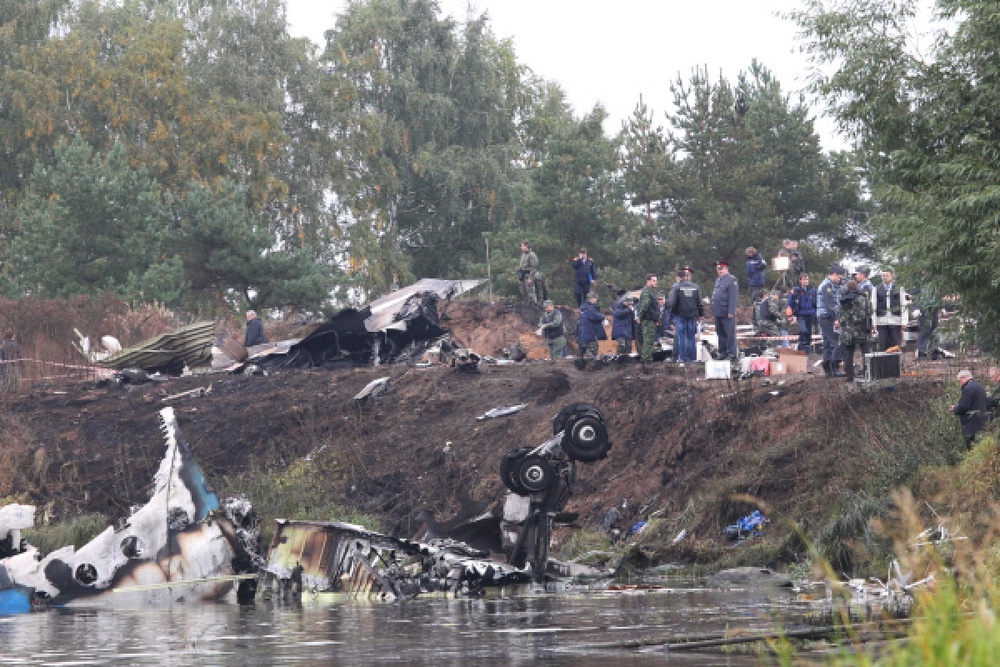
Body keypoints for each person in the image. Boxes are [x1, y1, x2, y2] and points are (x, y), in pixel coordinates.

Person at [838, 280, 873, 382]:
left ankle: (849, 376)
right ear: (857, 287)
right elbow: (870, 312)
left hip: (848, 331)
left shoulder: (842, 301)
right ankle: (868, 374)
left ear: (847, 288)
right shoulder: (864, 299)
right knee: (866, 354)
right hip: (863, 330)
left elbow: (840, 319)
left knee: (848, 355)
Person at [667, 267, 703, 364]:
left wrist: (673, 315)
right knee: (691, 337)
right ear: (686, 277)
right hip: (692, 316)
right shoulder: (696, 287)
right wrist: (700, 314)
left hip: (680, 316)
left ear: (679, 278)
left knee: (681, 337)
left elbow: (672, 302)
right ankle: (693, 359)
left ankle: (682, 359)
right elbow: (700, 302)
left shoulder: (676, 287)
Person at [950, 370, 991, 449]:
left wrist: (955, 409)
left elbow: (964, 406)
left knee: (971, 445)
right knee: (980, 444)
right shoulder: (979, 386)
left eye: (960, 381)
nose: (960, 383)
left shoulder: (968, 388)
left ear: (964, 378)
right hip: (982, 418)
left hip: (971, 421)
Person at [817, 265, 846, 376]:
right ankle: (834, 368)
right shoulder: (827, 286)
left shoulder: (831, 285)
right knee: (837, 342)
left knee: (827, 344)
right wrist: (836, 319)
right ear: (833, 274)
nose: (840, 279)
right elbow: (830, 305)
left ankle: (828, 370)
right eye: (839, 277)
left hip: (824, 316)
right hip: (827, 317)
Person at [873, 268, 908, 351]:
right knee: (882, 345)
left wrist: (904, 322)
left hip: (895, 320)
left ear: (892, 276)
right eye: (883, 276)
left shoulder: (899, 289)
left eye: (887, 275)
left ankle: (897, 363)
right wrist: (873, 322)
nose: (885, 277)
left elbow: (904, 305)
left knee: (896, 345)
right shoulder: (876, 289)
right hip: (881, 321)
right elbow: (873, 306)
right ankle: (883, 363)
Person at [710, 260, 739, 360]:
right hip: (718, 311)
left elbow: (733, 297)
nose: (719, 271)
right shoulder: (718, 280)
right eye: (718, 269)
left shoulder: (731, 280)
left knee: (729, 334)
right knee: (720, 333)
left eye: (721, 269)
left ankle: (732, 354)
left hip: (726, 311)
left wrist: (731, 310)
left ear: (726, 268)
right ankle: (723, 353)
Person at [788, 273, 817, 352]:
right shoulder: (795, 291)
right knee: (803, 330)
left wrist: (816, 311)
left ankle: (807, 351)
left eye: (807, 279)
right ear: (800, 280)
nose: (806, 281)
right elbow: (790, 304)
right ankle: (801, 348)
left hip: (811, 314)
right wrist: (790, 315)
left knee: (809, 334)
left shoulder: (812, 290)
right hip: (800, 314)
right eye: (804, 279)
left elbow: (816, 302)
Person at [911, 284, 940, 360]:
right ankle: (922, 352)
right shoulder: (918, 282)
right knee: (924, 330)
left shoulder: (935, 279)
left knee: (935, 329)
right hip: (923, 308)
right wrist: (916, 308)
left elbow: (938, 294)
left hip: (934, 307)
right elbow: (915, 297)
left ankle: (934, 351)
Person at [636, 274, 659, 366]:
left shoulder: (651, 291)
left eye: (656, 280)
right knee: (648, 340)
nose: (655, 282)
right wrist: (640, 317)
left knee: (649, 340)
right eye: (653, 280)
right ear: (648, 281)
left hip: (651, 319)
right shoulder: (646, 291)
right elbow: (645, 305)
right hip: (648, 319)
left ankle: (647, 358)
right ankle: (646, 359)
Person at [576, 292, 607, 359]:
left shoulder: (583, 309)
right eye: (595, 298)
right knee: (591, 357)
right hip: (590, 335)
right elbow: (597, 317)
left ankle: (579, 368)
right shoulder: (590, 308)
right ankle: (589, 368)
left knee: (580, 355)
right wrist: (604, 317)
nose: (596, 300)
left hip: (582, 336)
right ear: (592, 298)